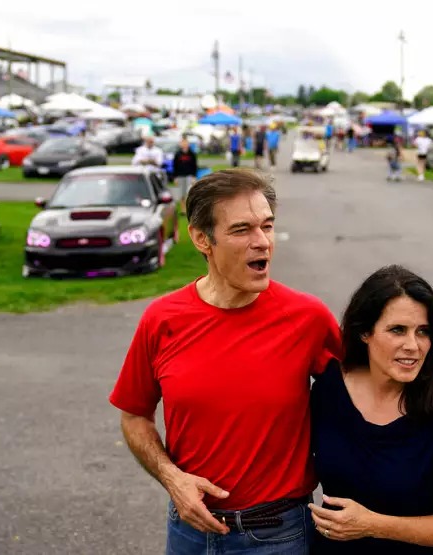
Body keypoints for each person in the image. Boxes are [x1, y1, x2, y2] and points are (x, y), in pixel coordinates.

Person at [109, 168, 342, 554]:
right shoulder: (162, 320)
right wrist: (172, 478)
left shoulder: (308, 319)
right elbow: (134, 415)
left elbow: (376, 385)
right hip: (189, 531)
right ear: (202, 239)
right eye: (242, 230)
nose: (262, 242)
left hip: (278, 536)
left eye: (267, 226)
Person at [309, 265, 433, 554]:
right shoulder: (329, 389)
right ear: (364, 332)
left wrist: (372, 524)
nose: (413, 346)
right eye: (397, 330)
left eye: (423, 332)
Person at [173, 137, 199, 213]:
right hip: (180, 175)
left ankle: (189, 209)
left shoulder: (192, 154)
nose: (184, 144)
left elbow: (194, 166)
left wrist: (194, 176)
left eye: (186, 143)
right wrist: (175, 177)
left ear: (188, 144)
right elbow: (175, 166)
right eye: (183, 143)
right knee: (181, 193)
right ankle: (183, 209)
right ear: (180, 144)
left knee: (188, 192)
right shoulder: (178, 154)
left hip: (189, 176)